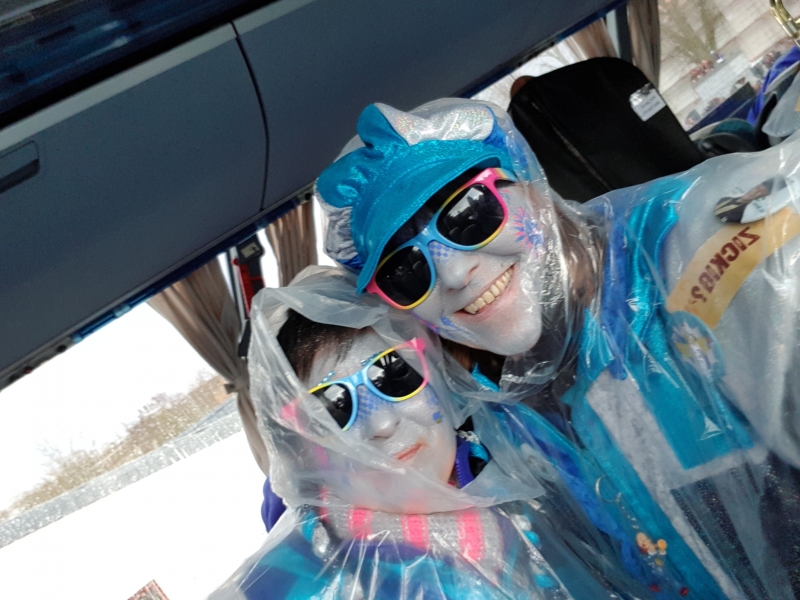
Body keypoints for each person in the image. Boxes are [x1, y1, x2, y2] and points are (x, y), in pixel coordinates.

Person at [316, 99, 800, 598]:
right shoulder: (494, 414)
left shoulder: (688, 256)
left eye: (470, 214)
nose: (455, 273)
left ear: (530, 185)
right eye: (406, 270)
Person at [211, 267, 656, 600]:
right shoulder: (299, 578)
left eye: (394, 373)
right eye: (332, 406)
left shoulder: (522, 466)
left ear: (438, 371)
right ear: (301, 444)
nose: (382, 424)